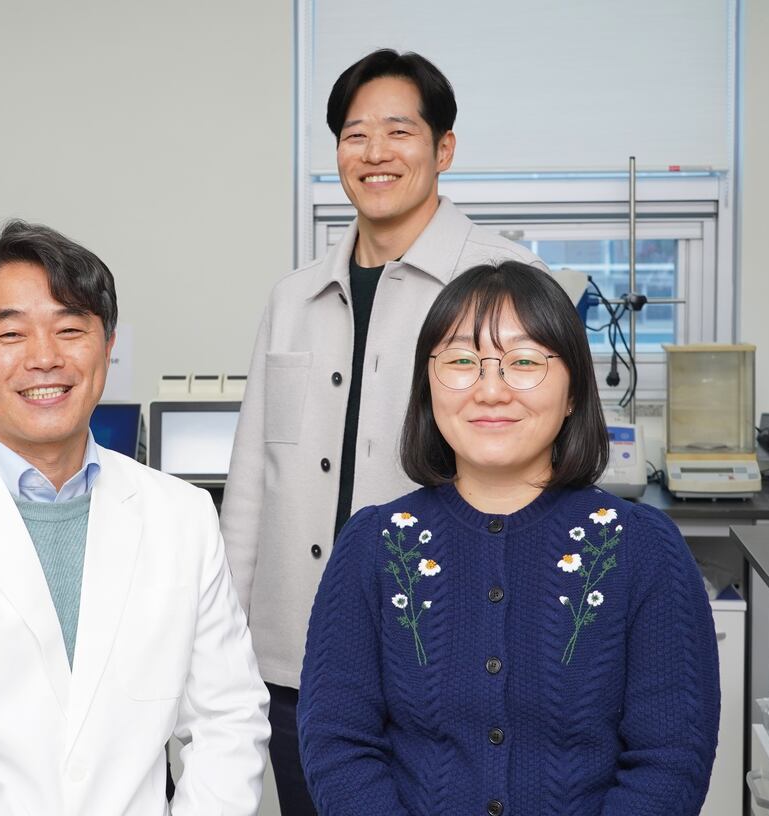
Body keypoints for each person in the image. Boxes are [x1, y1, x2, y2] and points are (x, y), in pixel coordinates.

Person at [0, 221, 270, 816]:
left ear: (107, 346)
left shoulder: (183, 517)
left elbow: (229, 720)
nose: (44, 358)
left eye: (70, 329)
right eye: (10, 334)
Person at [220, 48, 549, 813]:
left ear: (444, 148)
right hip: (294, 666)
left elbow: (545, 482)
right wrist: (225, 643)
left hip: (449, 663)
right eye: (355, 134)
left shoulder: (506, 283)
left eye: (399, 132)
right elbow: (252, 487)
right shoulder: (294, 299)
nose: (375, 153)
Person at [298, 261, 720, 814]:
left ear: (573, 391)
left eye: (524, 362)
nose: (491, 390)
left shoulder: (643, 548)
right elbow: (338, 744)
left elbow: (671, 759)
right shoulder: (374, 545)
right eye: (461, 362)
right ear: (428, 387)